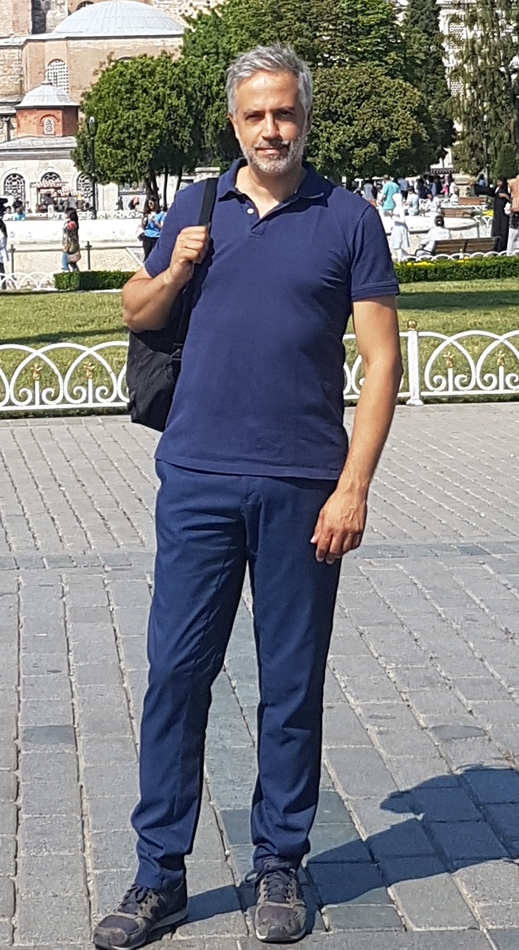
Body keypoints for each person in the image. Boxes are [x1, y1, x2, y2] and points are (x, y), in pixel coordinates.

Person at [93, 45, 402, 950]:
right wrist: (175, 269)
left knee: (290, 683)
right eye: (256, 115)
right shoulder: (197, 207)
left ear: (305, 117)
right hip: (197, 478)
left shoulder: (348, 218)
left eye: (286, 113)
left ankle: (280, 862)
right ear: (234, 121)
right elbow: (137, 310)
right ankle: (159, 874)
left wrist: (353, 487)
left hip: (304, 485)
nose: (272, 129)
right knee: (175, 675)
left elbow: (381, 360)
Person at [491, 177, 510, 251]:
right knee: (497, 230)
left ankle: (502, 247)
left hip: (503, 215)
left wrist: (506, 196)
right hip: (497, 214)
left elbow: (511, 200)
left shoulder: (505, 190)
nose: (498, 183)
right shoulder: (497, 189)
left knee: (503, 230)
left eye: (500, 181)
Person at [0, 216, 8, 288]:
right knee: (1, 268)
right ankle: (3, 285)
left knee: (1, 269)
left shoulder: (1, 234)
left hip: (1, 252)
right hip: (1, 252)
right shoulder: (3, 233)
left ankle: (3, 285)